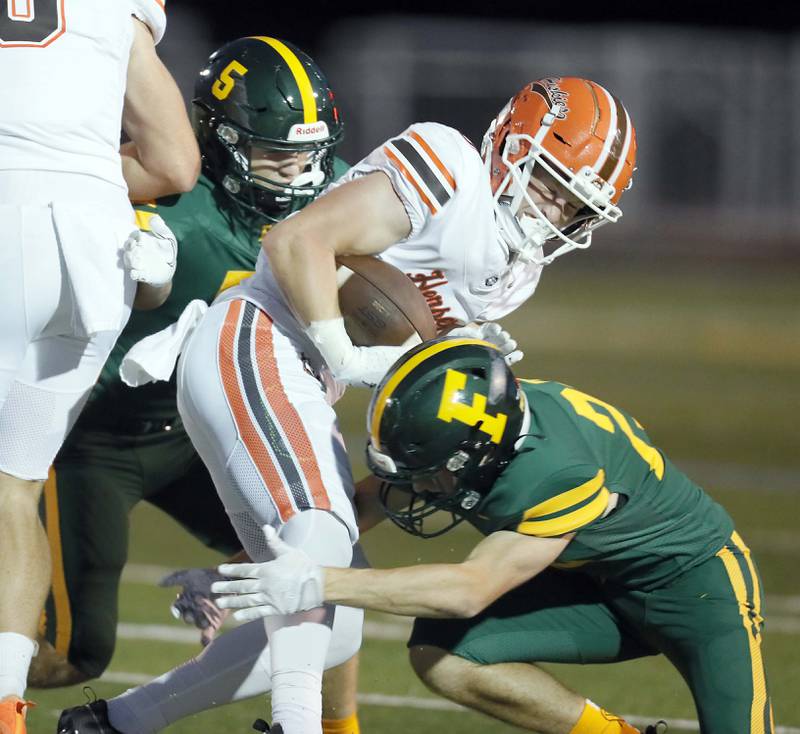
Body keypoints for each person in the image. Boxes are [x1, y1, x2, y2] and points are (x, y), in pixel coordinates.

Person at [57, 76, 637, 734]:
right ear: (511, 143)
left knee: (333, 619)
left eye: (573, 205)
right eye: (549, 182)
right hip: (258, 336)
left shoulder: (516, 272)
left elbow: (406, 368)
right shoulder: (449, 166)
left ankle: (112, 724)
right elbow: (296, 241)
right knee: (322, 540)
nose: (551, 212)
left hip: (298, 377)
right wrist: (343, 355)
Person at [26, 33, 361, 734]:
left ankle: (334, 726)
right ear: (220, 141)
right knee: (74, 650)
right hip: (97, 435)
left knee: (332, 570)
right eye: (276, 152)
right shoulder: (174, 204)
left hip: (202, 428)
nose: (300, 171)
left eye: (311, 152)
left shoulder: (336, 194)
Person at [211, 336, 774, 734]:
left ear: (480, 450)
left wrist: (315, 583)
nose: (421, 487)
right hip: (595, 583)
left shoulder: (556, 473)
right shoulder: (487, 429)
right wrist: (239, 571)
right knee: (446, 655)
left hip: (697, 588)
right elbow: (363, 502)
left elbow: (469, 590)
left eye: (431, 471)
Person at [0, 2, 199, 732]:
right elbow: (176, 164)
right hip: (96, 247)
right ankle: (5, 709)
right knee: (12, 490)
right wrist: (76, 167)